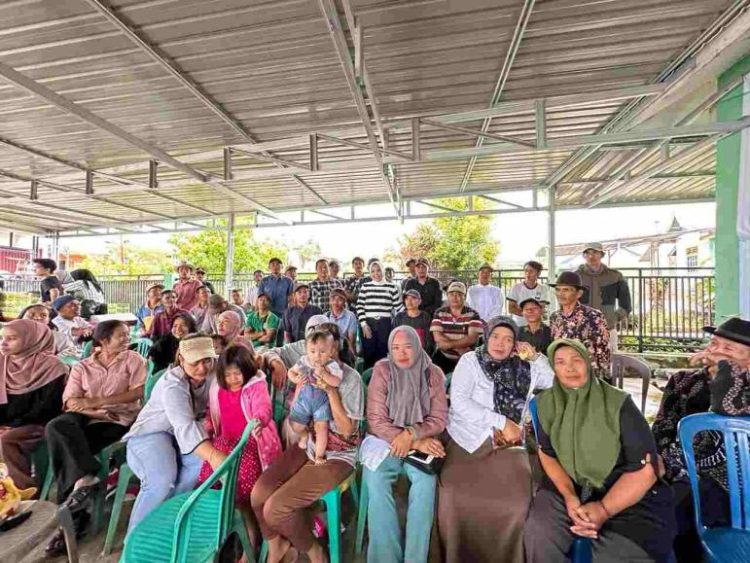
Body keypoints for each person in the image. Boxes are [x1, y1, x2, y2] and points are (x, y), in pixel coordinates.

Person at [524, 339, 676, 563]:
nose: (570, 368)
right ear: (554, 368)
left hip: (621, 489)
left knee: (618, 552)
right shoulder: (546, 403)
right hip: (569, 484)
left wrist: (604, 509)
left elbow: (646, 469)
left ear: (588, 363)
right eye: (560, 362)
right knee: (540, 532)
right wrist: (569, 496)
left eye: (577, 360)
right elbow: (547, 453)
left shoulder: (618, 404)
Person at [438, 316, 554, 563]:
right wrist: (501, 422)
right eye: (495, 337)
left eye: (508, 338)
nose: (500, 343)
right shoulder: (470, 361)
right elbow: (459, 403)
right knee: (452, 496)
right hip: (468, 439)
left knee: (517, 503)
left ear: (515, 343)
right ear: (487, 336)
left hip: (509, 445)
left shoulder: (524, 366)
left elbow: (553, 380)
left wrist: (536, 357)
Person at [251, 325, 364, 563]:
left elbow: (347, 430)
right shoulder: (308, 370)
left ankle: (315, 551)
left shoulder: (349, 379)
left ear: (335, 348)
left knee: (275, 508)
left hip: (338, 454)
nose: (320, 354)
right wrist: (300, 390)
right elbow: (296, 425)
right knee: (259, 494)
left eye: (326, 348)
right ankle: (277, 546)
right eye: (314, 349)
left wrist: (332, 392)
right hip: (310, 443)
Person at [43, 320, 146, 555]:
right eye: (121, 335)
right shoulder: (82, 366)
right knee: (56, 426)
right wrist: (93, 409)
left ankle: (70, 524)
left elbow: (137, 393)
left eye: (127, 335)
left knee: (67, 448)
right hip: (87, 416)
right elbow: (70, 402)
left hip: (116, 419)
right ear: (104, 340)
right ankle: (86, 477)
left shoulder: (134, 360)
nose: (126, 338)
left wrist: (96, 402)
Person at [651, 318, 750, 562]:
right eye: (714, 344)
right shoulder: (683, 381)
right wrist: (668, 466)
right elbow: (661, 430)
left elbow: (726, 407)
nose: (716, 352)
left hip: (735, 485)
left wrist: (728, 371)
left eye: (728, 349)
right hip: (682, 475)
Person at [360, 325, 448, 563]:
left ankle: (415, 558)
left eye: (408, 347)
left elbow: (439, 419)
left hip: (422, 441)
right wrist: (413, 441)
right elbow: (376, 421)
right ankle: (385, 557)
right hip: (385, 442)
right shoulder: (382, 370)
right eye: (396, 348)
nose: (402, 353)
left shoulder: (433, 373)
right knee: (376, 481)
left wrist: (412, 435)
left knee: (426, 484)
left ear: (418, 347)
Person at [123, 336, 228, 530]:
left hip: (183, 435)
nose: (202, 368)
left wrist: (272, 359)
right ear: (181, 359)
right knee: (161, 480)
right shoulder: (173, 385)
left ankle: (169, 518)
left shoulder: (214, 369)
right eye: (195, 362)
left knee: (199, 467)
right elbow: (185, 427)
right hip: (152, 432)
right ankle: (137, 538)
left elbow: (246, 359)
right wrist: (215, 456)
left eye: (207, 360)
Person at [198, 344, 282, 546]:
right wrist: (208, 425)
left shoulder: (255, 385)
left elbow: (263, 408)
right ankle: (221, 531)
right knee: (209, 479)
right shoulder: (217, 388)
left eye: (238, 373)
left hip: (251, 443)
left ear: (247, 370)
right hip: (224, 442)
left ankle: (252, 535)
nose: (233, 379)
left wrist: (259, 421)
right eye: (228, 375)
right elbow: (212, 412)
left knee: (241, 486)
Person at [0, 320, 67, 490]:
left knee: (6, 439)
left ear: (32, 339)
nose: (4, 343)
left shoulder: (52, 366)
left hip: (40, 424)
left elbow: (47, 409)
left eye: (12, 338)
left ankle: (23, 490)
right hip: (10, 423)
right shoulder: (2, 363)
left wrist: (11, 425)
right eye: (2, 338)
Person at [287, 330, 343, 463]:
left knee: (322, 428)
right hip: (304, 400)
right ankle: (304, 435)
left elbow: (337, 381)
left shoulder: (332, 365)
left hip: (321, 402)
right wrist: (296, 379)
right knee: (295, 425)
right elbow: (291, 372)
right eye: (312, 351)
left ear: (331, 351)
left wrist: (324, 375)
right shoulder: (304, 361)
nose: (317, 356)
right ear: (307, 351)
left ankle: (319, 455)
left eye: (322, 352)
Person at [548, 271, 610, 380]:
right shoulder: (554, 317)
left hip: (589, 376)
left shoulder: (594, 316)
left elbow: (602, 353)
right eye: (558, 289)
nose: (560, 294)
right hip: (563, 375)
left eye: (566, 290)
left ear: (579, 293)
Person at [576, 243, 632, 352]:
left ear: (601, 255)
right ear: (584, 256)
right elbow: (567, 301)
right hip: (581, 329)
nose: (591, 256)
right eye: (587, 253)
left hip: (608, 329)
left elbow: (626, 305)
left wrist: (613, 318)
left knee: (610, 362)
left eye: (595, 252)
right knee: (581, 363)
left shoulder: (615, 276)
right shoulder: (575, 276)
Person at [356, 260, 402, 370]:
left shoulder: (392, 287)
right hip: (368, 323)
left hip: (384, 324)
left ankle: (383, 381)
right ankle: (368, 381)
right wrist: (364, 325)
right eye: (372, 271)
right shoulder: (365, 287)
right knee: (369, 353)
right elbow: (359, 306)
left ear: (383, 270)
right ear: (369, 273)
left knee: (382, 353)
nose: (376, 273)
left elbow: (399, 308)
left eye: (378, 270)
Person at [430, 281, 483, 374]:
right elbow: (438, 339)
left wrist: (449, 345)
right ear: (447, 296)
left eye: (459, 294)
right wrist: (459, 347)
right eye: (452, 294)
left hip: (465, 357)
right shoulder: (439, 313)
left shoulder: (473, 314)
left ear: (464, 297)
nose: (455, 297)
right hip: (443, 356)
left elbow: (472, 339)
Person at [506, 260, 553, 327]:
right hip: (519, 325)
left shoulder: (543, 289)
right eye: (526, 271)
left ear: (538, 273)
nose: (528, 273)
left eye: (531, 271)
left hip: (536, 325)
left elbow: (541, 309)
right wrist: (529, 314)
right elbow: (511, 308)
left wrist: (524, 310)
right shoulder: (516, 287)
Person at [393, 289, 434, 354]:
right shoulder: (399, 317)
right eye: (407, 298)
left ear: (420, 301)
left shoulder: (425, 317)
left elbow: (429, 340)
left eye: (413, 298)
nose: (409, 301)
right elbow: (394, 339)